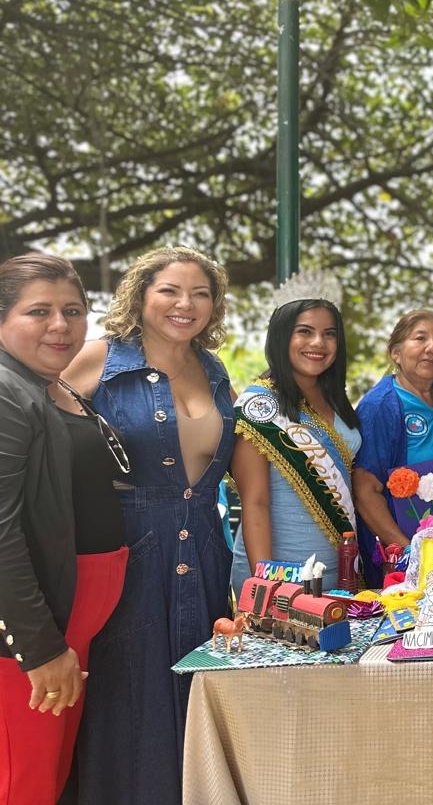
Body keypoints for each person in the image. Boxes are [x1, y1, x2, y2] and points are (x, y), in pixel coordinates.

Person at [62, 245, 236, 805]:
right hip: (126, 552)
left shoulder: (214, 370)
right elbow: (39, 438)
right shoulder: (98, 358)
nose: (186, 304)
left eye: (201, 293)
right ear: (141, 295)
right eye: (170, 290)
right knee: (127, 698)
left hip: (205, 552)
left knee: (198, 691)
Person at [0, 255, 128, 804]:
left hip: (73, 626)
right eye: (39, 312)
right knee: (22, 783)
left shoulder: (51, 385)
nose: (60, 325)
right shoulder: (5, 391)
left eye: (73, 311)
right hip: (33, 635)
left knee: (50, 780)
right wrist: (39, 647)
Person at [229, 296, 361, 593]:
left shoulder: (335, 400)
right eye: (304, 331)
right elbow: (255, 503)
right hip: (279, 572)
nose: (318, 343)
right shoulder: (260, 406)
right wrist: (265, 587)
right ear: (281, 338)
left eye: (329, 334)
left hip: (339, 568)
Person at [352, 310, 433, 587]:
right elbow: (365, 491)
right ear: (396, 352)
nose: (432, 348)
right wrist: (410, 552)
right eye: (420, 338)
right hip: (407, 564)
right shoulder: (380, 406)